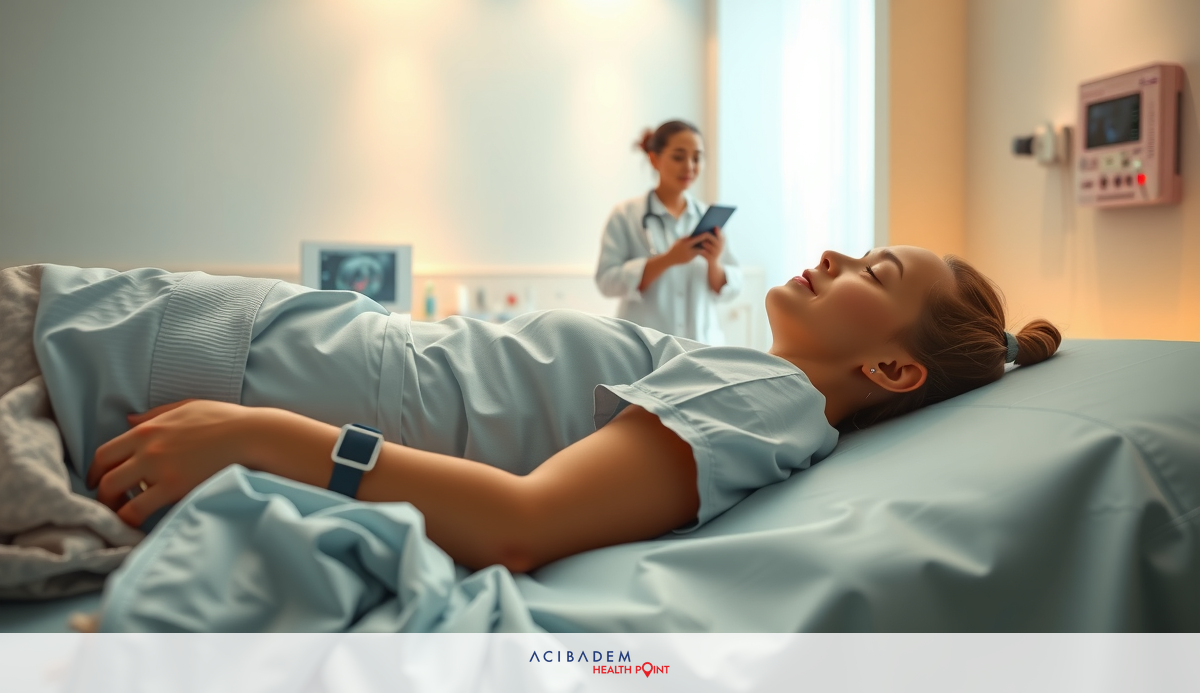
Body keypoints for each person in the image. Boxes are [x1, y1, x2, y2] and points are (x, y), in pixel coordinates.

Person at [9, 246, 1060, 575]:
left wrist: (270, 437)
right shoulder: (743, 377)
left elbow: (524, 518)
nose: (834, 254)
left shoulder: (768, 395)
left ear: (894, 367)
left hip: (157, 361)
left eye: (873, 267)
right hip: (153, 341)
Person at [595, 120, 741, 344]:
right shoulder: (626, 215)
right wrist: (668, 260)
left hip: (700, 347)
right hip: (644, 348)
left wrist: (714, 263)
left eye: (697, 157)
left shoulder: (708, 217)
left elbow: (732, 287)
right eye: (678, 157)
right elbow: (607, 282)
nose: (690, 166)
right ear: (654, 159)